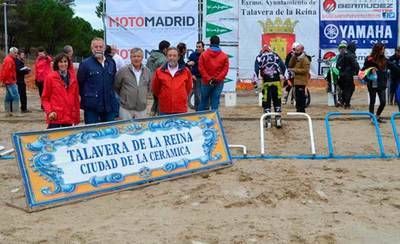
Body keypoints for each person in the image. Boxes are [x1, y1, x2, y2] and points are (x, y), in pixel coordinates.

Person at [77, 37, 119, 124]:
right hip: (92, 106)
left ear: (104, 48)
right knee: (92, 132)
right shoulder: (85, 64)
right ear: (92, 49)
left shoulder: (111, 62)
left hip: (109, 105)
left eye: (100, 47)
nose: (98, 49)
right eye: (96, 47)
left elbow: (113, 81)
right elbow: (80, 83)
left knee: (109, 132)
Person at [362, 43, 400, 123]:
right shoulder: (369, 59)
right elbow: (363, 71)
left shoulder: (385, 60)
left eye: (384, 49)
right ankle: (372, 118)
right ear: (377, 50)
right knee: (372, 101)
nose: (383, 51)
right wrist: (369, 75)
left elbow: (394, 68)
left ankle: (377, 116)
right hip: (372, 83)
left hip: (382, 84)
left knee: (383, 102)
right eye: (382, 49)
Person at [41, 53, 80, 129]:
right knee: (52, 139)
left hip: (68, 117)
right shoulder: (50, 78)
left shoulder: (73, 78)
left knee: (67, 139)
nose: (63, 64)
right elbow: (45, 98)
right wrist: (49, 112)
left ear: (68, 63)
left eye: (65, 61)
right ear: (57, 64)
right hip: (55, 117)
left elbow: (76, 99)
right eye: (61, 62)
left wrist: (76, 117)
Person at [152, 47, 192, 115]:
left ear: (178, 57)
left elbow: (188, 88)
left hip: (180, 109)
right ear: (166, 57)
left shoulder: (186, 71)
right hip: (164, 109)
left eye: (174, 56)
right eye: (170, 55)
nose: (172, 58)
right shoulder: (159, 71)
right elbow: (156, 89)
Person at [255, 44, 286, 128]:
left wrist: (258, 79)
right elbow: (283, 66)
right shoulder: (275, 55)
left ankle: (268, 119)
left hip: (266, 82)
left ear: (262, 50)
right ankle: (278, 118)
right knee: (277, 99)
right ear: (270, 50)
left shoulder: (259, 57)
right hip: (276, 81)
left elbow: (256, 69)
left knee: (266, 100)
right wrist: (282, 75)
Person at [114, 48, 151, 120]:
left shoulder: (147, 71)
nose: (136, 58)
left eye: (138, 56)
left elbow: (149, 87)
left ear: (142, 58)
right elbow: (116, 86)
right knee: (125, 129)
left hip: (141, 108)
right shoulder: (123, 70)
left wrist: (142, 98)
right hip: (126, 108)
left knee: (141, 129)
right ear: (130, 58)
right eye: (134, 56)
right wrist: (125, 98)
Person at [198, 35, 229, 111]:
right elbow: (225, 70)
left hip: (206, 82)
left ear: (210, 43)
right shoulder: (224, 56)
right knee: (215, 103)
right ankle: (214, 121)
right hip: (218, 83)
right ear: (219, 43)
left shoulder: (203, 55)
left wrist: (208, 79)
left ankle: (200, 120)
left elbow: (201, 68)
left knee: (203, 101)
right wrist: (217, 79)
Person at [146, 40, 170, 116]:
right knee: (160, 103)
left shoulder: (151, 57)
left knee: (156, 101)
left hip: (150, 82)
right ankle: (159, 119)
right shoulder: (164, 59)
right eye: (168, 49)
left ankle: (152, 114)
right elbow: (163, 75)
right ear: (165, 49)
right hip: (159, 84)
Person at [336, 42, 359, 109]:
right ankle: (347, 104)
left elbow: (337, 65)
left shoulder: (342, 54)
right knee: (350, 89)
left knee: (345, 90)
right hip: (348, 76)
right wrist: (358, 72)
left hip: (341, 76)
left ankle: (342, 101)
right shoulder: (351, 55)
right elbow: (356, 65)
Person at [288, 44, 311, 113]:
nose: (296, 51)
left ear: (302, 50)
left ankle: (302, 110)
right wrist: (293, 56)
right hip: (296, 81)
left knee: (301, 97)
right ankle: (298, 110)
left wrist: (294, 70)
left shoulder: (305, 59)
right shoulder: (297, 58)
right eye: (295, 50)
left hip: (302, 81)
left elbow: (305, 70)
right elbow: (290, 65)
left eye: (298, 50)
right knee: (297, 97)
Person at [0, 47, 20, 116]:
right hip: (10, 81)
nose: (16, 54)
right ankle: (15, 112)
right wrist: (3, 81)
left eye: (17, 53)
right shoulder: (9, 60)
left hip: (9, 81)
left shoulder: (8, 59)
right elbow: (6, 72)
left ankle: (7, 112)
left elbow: (4, 71)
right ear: (11, 52)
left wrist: (3, 80)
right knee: (16, 96)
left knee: (8, 97)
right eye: (15, 53)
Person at [187, 41, 205, 111]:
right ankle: (197, 109)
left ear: (203, 47)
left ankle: (204, 109)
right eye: (197, 47)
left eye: (199, 47)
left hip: (205, 78)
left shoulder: (206, 55)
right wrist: (191, 75)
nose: (198, 48)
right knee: (197, 94)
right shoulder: (192, 55)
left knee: (204, 94)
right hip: (196, 77)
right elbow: (187, 66)